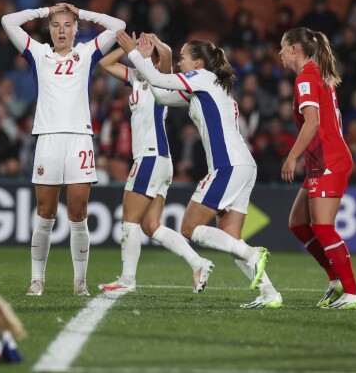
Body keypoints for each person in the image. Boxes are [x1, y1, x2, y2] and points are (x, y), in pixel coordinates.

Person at [116, 31, 280, 308]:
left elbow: (156, 79)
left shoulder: (202, 79)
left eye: (183, 58)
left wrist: (134, 54)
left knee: (190, 227)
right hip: (243, 165)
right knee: (229, 237)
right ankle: (269, 293)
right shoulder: (209, 86)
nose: (180, 63)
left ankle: (252, 253)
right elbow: (163, 97)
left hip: (227, 165)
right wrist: (158, 56)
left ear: (198, 64)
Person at [1, 3, 126, 297]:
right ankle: (37, 280)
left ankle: (80, 282)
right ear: (49, 28)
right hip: (47, 138)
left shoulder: (86, 53)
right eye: (56, 25)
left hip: (80, 139)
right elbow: (8, 21)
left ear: (75, 30)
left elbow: (118, 25)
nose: (61, 30)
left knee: (78, 213)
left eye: (68, 25)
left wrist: (81, 12)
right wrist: (44, 10)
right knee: (45, 213)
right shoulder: (38, 53)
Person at [96, 34, 214, 293]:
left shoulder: (158, 76)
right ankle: (198, 262)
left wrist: (156, 45)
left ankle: (127, 280)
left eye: (147, 49)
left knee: (129, 220)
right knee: (151, 226)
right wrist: (127, 49)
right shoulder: (135, 77)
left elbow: (168, 57)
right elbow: (104, 64)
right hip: (158, 160)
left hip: (150, 156)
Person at [279, 27, 356, 309]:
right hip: (321, 162)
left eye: (282, 47)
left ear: (294, 49)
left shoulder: (306, 78)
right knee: (298, 224)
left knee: (323, 227)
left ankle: (353, 292)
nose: (279, 53)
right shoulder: (316, 74)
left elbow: (313, 122)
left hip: (330, 161)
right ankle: (336, 279)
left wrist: (292, 157)